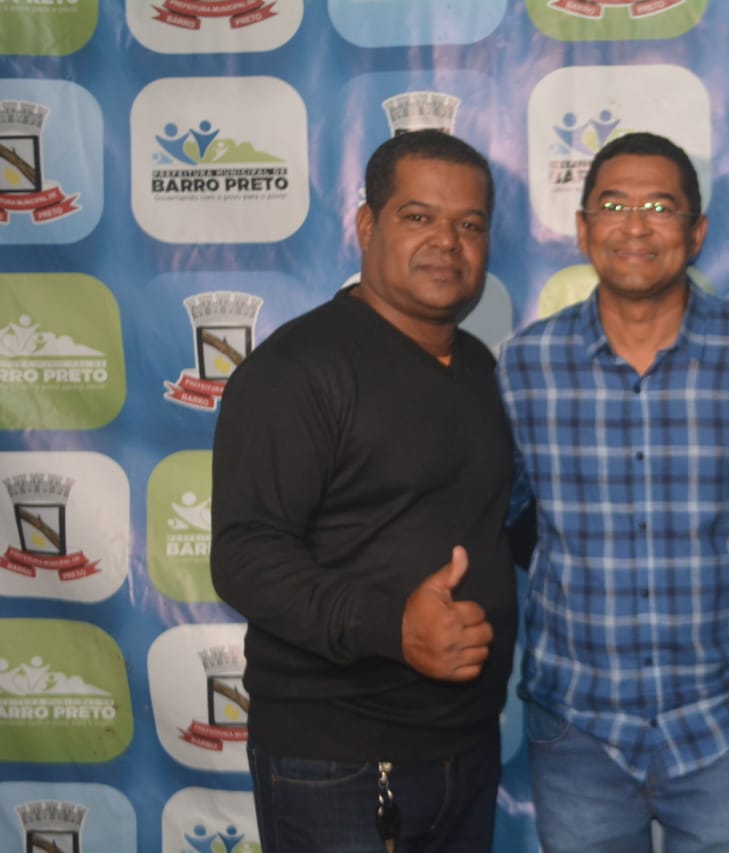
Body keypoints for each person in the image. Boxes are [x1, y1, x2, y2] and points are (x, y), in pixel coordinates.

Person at [211, 129, 516, 853]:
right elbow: (244, 556)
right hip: (339, 765)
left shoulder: (479, 366)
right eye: (419, 216)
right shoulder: (297, 368)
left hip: (467, 750)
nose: (447, 242)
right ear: (367, 225)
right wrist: (393, 626)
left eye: (469, 225)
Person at [497, 131, 729, 853]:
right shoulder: (526, 365)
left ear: (697, 233)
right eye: (613, 206)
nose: (635, 226)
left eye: (661, 207)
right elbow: (503, 516)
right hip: (578, 723)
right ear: (583, 230)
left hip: (720, 720)